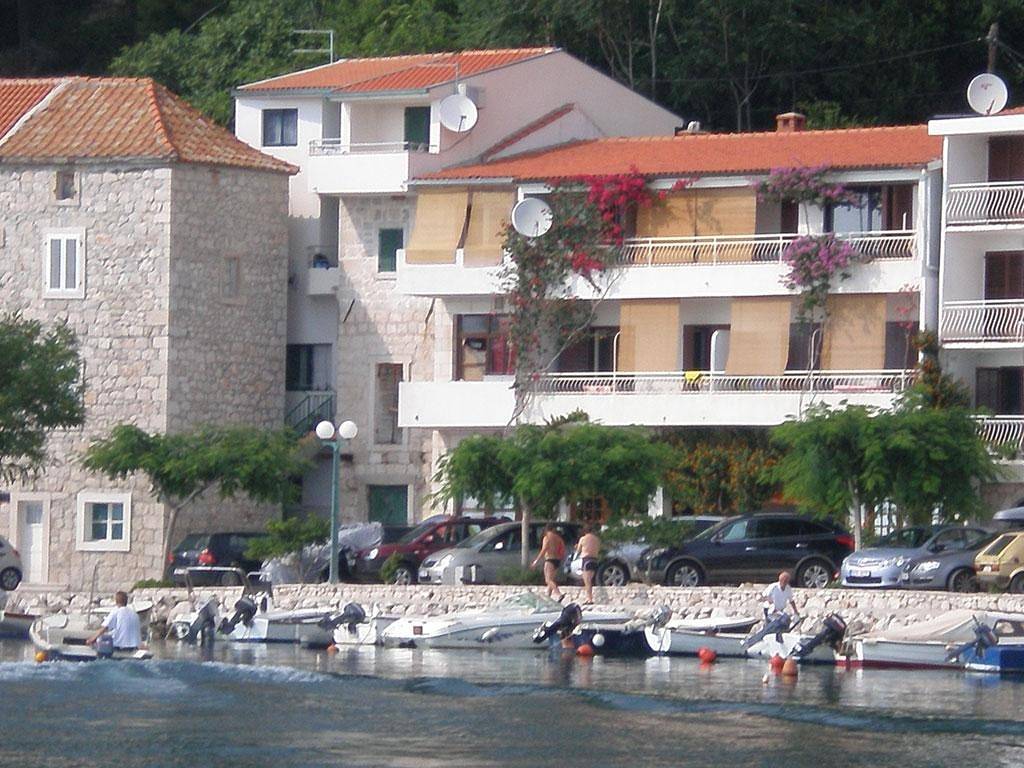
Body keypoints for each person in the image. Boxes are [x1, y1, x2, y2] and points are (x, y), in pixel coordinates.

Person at [531, 524, 566, 601]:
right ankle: (548, 598)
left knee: (548, 580)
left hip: (550, 559)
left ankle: (559, 594)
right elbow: (563, 548)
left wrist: (536, 560)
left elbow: (544, 549)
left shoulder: (546, 538)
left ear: (546, 530)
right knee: (551, 580)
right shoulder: (558, 538)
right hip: (557, 560)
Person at [575, 525, 601, 605]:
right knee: (590, 579)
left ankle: (589, 599)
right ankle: (589, 598)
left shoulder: (583, 539)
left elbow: (578, 550)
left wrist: (576, 547)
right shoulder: (597, 539)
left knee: (587, 581)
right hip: (595, 559)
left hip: (586, 559)